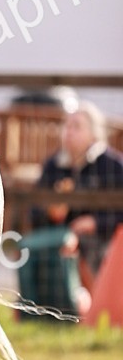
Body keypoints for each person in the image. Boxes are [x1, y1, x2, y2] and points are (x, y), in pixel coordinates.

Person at [18, 104, 123, 318]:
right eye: (66, 126)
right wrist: (50, 212)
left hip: (101, 237)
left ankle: (79, 311)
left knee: (75, 248)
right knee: (28, 246)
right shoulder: (54, 165)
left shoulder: (112, 164)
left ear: (93, 134)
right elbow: (34, 211)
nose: (69, 132)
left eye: (76, 126)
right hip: (58, 237)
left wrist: (94, 222)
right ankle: (35, 312)